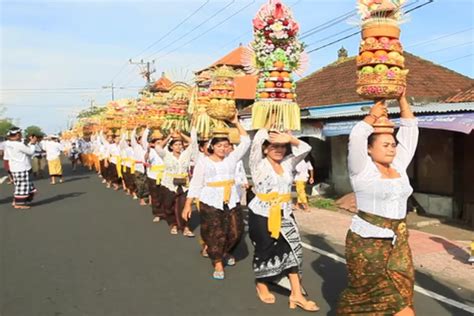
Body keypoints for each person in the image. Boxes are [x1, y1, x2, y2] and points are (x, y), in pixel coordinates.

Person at [336, 93, 418, 316]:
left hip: (398, 243)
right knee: (384, 302)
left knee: (403, 295)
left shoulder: (399, 166)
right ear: (370, 149)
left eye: (393, 144)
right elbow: (356, 136)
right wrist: (373, 115)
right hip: (367, 244)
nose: (392, 148)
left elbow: (410, 130)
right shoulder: (362, 169)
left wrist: (402, 100)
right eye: (385, 145)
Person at [248, 126, 319, 311]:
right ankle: (262, 283)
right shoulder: (258, 164)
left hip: (285, 213)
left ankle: (296, 294)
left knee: (294, 250)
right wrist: (268, 120)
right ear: (265, 149)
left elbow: (305, 148)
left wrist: (290, 138)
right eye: (274, 146)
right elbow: (256, 141)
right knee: (265, 250)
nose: (279, 149)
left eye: (282, 146)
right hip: (262, 214)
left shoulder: (288, 163)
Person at [183, 115, 250, 280]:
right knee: (215, 232)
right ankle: (218, 261)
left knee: (236, 230)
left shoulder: (232, 158)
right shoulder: (204, 162)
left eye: (226, 146)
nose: (223, 148)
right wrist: (187, 205)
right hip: (210, 200)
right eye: (219, 145)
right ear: (212, 146)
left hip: (231, 198)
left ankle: (224, 251)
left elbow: (246, 142)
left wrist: (236, 123)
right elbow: (196, 183)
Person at [155, 129, 197, 237]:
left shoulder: (185, 155)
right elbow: (158, 147)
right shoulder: (166, 155)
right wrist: (170, 135)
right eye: (176, 145)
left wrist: (181, 134)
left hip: (183, 184)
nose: (178, 146)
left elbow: (193, 142)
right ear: (171, 146)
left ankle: (185, 227)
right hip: (169, 184)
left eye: (180, 144)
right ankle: (173, 223)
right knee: (168, 206)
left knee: (183, 206)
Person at [4, 127, 37, 209]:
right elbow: (30, 152)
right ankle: (19, 204)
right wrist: (32, 143)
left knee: (20, 186)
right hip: (22, 168)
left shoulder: (7, 143)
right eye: (20, 134)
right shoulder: (18, 144)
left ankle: (15, 201)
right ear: (18, 134)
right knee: (22, 187)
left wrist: (30, 143)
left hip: (14, 168)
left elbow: (24, 150)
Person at [145, 129, 166, 223]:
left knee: (166, 195)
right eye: (157, 142)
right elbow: (146, 158)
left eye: (161, 142)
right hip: (153, 176)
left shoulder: (166, 150)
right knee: (155, 196)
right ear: (153, 144)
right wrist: (148, 150)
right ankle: (158, 214)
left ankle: (167, 212)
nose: (160, 144)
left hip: (165, 176)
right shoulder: (151, 151)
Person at [131, 127, 150, 205]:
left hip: (147, 168)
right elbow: (132, 137)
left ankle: (147, 198)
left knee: (147, 184)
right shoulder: (135, 146)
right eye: (140, 139)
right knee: (140, 184)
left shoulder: (146, 147)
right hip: (139, 168)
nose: (142, 141)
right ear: (138, 141)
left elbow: (145, 138)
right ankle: (141, 199)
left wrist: (147, 129)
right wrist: (135, 128)